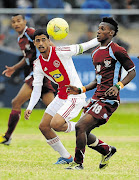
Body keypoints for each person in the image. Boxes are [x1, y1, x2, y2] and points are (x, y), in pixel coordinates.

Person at [65, 17, 136, 170]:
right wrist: (80, 90)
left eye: (103, 29)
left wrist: (118, 86)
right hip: (96, 98)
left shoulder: (117, 49)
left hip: (109, 100)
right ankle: (107, 150)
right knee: (83, 131)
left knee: (80, 126)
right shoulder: (95, 53)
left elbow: (132, 72)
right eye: (98, 28)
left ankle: (78, 164)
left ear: (111, 33)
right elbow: (97, 80)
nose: (99, 31)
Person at [24, 29, 99, 164]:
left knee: (56, 124)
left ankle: (82, 126)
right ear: (34, 43)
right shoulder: (38, 64)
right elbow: (37, 87)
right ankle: (66, 156)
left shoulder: (61, 51)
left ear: (48, 41)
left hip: (75, 96)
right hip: (62, 96)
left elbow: (83, 46)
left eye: (43, 39)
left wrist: (100, 39)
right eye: (37, 41)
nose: (41, 43)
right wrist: (30, 106)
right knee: (44, 126)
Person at [0, 14, 55, 145]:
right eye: (13, 22)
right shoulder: (21, 39)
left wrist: (49, 63)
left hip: (38, 74)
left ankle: (7, 137)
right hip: (37, 75)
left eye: (19, 21)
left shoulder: (30, 32)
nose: (16, 24)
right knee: (53, 108)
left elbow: (50, 45)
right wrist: (14, 68)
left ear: (25, 22)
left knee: (16, 102)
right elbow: (27, 58)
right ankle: (77, 126)